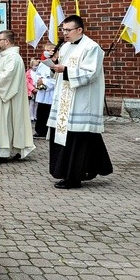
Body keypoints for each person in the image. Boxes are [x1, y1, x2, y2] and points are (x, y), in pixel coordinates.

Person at [46, 15, 112, 189]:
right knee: (65, 138)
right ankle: (67, 172)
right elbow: (60, 70)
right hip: (64, 101)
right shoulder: (66, 46)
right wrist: (54, 64)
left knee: (77, 140)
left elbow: (90, 73)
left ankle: (73, 177)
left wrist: (65, 69)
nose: (64, 33)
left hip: (81, 102)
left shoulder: (92, 47)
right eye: (63, 30)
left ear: (79, 30)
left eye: (68, 30)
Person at [0, 30, 36, 162]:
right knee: (1, 122)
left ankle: (3, 151)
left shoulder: (13, 57)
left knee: (5, 122)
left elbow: (8, 77)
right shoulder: (3, 56)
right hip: (0, 96)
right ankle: (3, 149)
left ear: (7, 41)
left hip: (7, 97)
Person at [31, 42, 57, 139]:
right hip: (42, 92)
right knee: (41, 112)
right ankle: (39, 130)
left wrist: (44, 81)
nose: (47, 52)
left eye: (50, 50)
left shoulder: (55, 63)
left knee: (48, 112)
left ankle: (47, 131)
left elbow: (56, 79)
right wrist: (38, 81)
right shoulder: (43, 63)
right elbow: (36, 74)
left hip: (51, 92)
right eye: (46, 50)